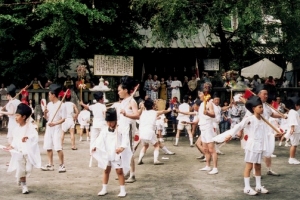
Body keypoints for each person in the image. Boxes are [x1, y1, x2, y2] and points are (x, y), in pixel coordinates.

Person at [222, 96, 270, 195]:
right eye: (260, 107)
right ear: (253, 108)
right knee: (249, 167)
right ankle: (247, 187)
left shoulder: (262, 119)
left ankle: (258, 186)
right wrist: (230, 135)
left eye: (262, 107)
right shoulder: (250, 119)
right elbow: (238, 126)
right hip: (252, 145)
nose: (262, 109)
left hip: (260, 145)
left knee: (258, 166)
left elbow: (265, 132)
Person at [92, 108, 132, 197]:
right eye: (108, 121)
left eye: (111, 121)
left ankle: (122, 190)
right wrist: (95, 146)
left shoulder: (120, 129)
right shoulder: (105, 129)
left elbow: (125, 139)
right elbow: (99, 139)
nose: (109, 124)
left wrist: (122, 148)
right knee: (106, 170)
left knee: (119, 171)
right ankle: (104, 188)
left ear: (116, 120)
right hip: (107, 152)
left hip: (116, 153)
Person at [5, 103, 41, 194]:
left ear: (24, 117)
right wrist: (11, 146)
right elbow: (15, 140)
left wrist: (27, 137)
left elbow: (35, 137)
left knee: (28, 169)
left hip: (28, 152)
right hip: (19, 152)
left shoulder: (30, 127)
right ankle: (24, 185)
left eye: (17, 115)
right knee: (21, 169)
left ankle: (19, 176)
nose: (16, 117)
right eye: (15, 115)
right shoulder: (16, 129)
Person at [118, 76, 140, 183]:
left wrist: (126, 114)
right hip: (122, 128)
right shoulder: (124, 101)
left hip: (129, 128)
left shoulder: (132, 101)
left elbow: (137, 115)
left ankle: (132, 174)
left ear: (125, 90)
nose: (118, 92)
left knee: (129, 151)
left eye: (119, 90)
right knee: (123, 151)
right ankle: (126, 172)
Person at [41, 84, 67, 173]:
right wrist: (45, 113)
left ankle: (62, 165)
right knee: (48, 146)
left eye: (49, 94)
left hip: (57, 128)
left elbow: (63, 119)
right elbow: (47, 118)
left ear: (53, 95)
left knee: (58, 147)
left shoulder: (62, 105)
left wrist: (54, 123)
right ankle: (50, 164)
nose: (48, 96)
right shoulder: (49, 104)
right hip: (49, 127)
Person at [137, 99, 171, 165]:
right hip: (149, 131)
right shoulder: (155, 112)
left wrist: (142, 107)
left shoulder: (143, 112)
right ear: (152, 106)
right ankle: (155, 160)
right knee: (156, 145)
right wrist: (169, 110)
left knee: (145, 146)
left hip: (141, 132)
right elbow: (163, 111)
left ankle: (139, 159)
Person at [197, 82, 218, 175]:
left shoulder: (210, 103)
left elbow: (213, 114)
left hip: (209, 127)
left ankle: (215, 168)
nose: (199, 95)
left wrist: (208, 113)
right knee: (205, 149)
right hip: (202, 127)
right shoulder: (202, 104)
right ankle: (207, 166)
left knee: (211, 149)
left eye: (200, 94)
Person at [282, 99, 300, 164]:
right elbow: (293, 120)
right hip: (295, 130)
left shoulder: (293, 112)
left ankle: (292, 158)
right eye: (299, 106)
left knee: (295, 144)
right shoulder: (293, 112)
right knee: (294, 144)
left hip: (296, 130)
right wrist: (292, 128)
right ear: (296, 105)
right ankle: (291, 158)